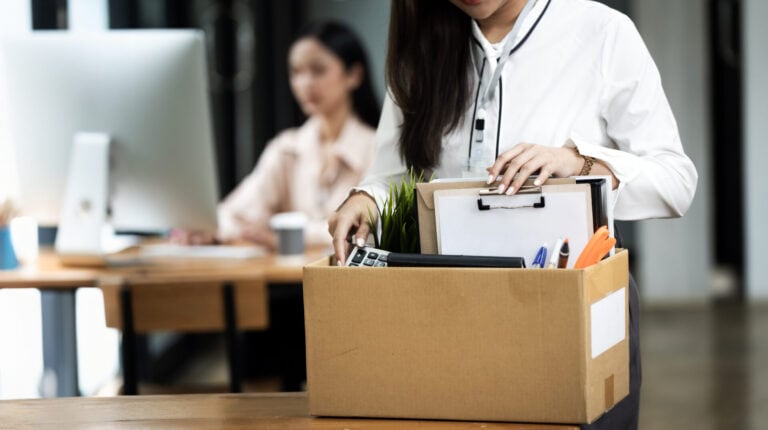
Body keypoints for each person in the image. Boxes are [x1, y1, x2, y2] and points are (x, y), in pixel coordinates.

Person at [329, 1, 697, 429]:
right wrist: (365, 200)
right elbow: (393, 175)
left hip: (571, 302)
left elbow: (676, 181)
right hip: (448, 304)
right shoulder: (423, 44)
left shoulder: (603, 31)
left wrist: (579, 163)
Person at [176, 21, 379, 250]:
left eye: (318, 70)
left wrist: (286, 236)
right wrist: (208, 228)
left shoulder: (378, 150)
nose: (305, 83)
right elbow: (240, 211)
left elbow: (366, 228)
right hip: (289, 271)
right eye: (296, 72)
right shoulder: (286, 148)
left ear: (354, 75)